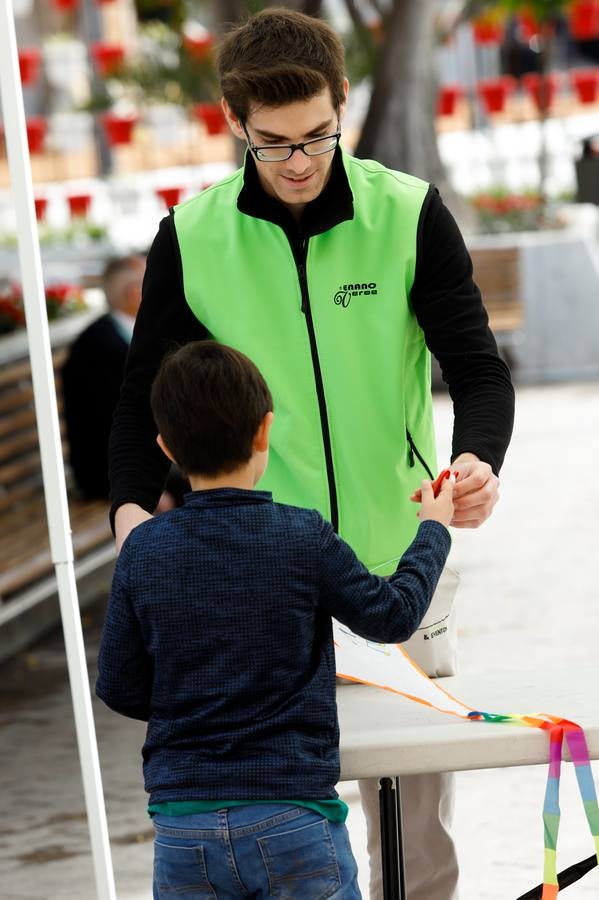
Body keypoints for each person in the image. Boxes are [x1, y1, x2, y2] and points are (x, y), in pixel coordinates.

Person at [108, 9, 515, 898]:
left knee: (415, 832)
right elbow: (141, 397)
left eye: (318, 135)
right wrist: (130, 511)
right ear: (234, 122)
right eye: (273, 143)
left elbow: (476, 368)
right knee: (282, 812)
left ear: (341, 102)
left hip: (398, 554)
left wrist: (477, 458)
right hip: (261, 574)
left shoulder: (406, 213)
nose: (298, 162)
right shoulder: (193, 236)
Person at [97, 340, 455, 899]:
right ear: (265, 430)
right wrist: (433, 527)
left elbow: (118, 684)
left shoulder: (142, 550)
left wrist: (191, 700)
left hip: (183, 825)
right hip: (293, 814)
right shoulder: (301, 535)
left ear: (165, 446)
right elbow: (393, 616)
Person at [62, 255, 145, 499]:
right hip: (108, 475)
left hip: (133, 466)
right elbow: (111, 425)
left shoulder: (125, 331)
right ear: (134, 294)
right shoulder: (99, 347)